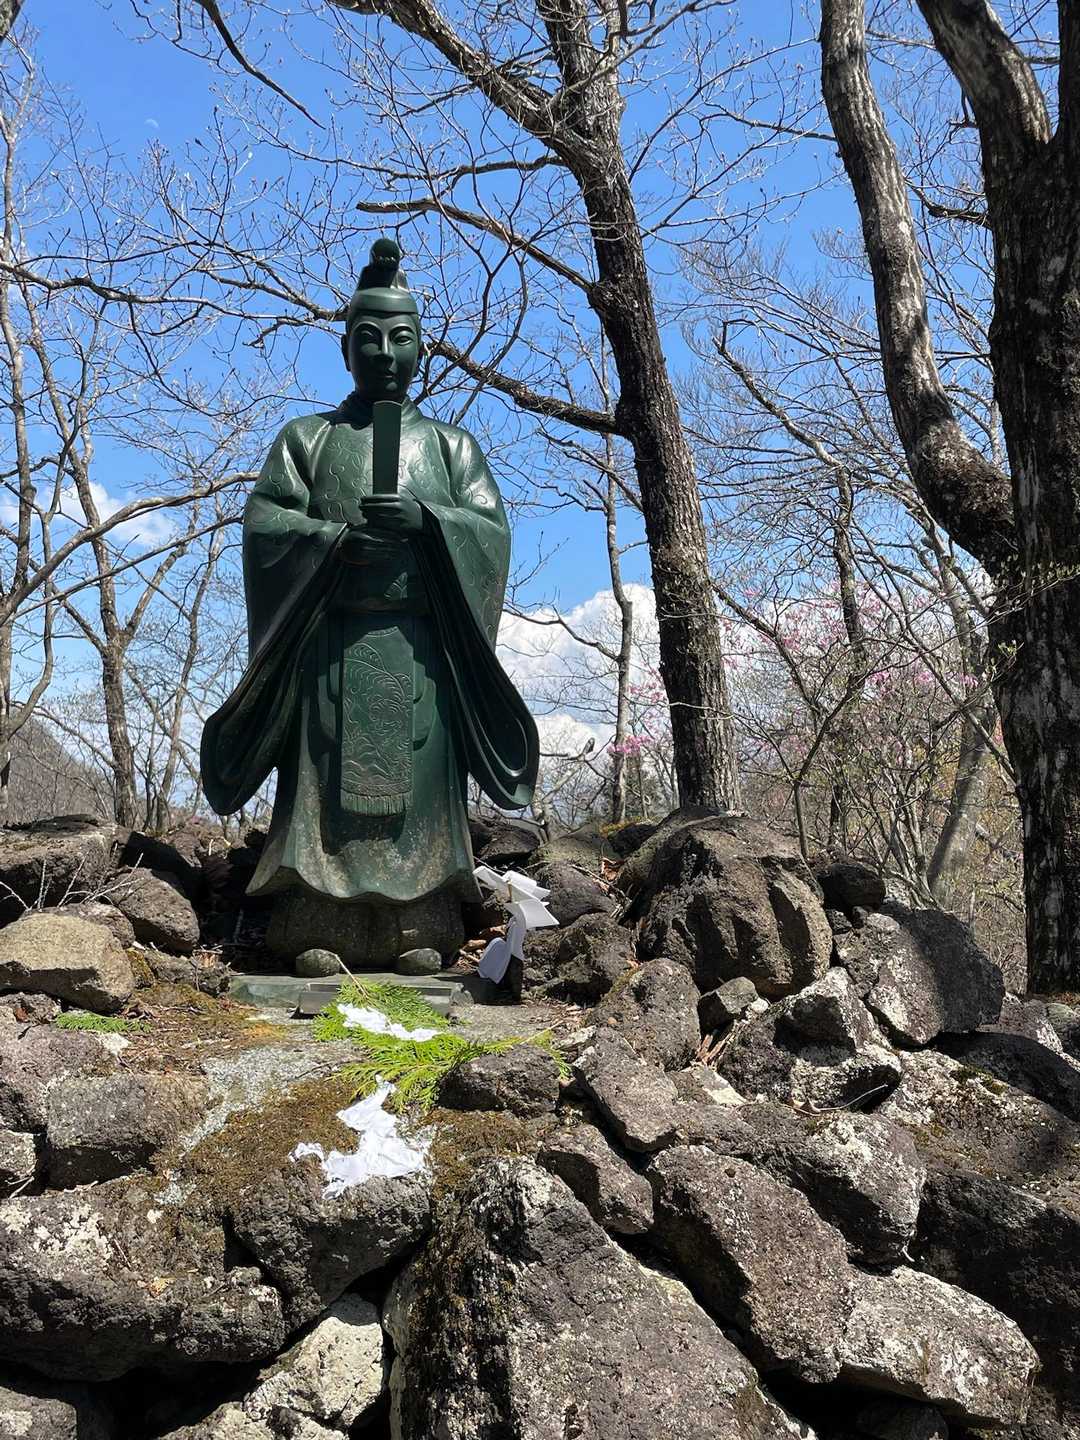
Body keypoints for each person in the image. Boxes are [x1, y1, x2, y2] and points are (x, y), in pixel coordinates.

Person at [201, 239, 538, 966]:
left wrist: (431, 523)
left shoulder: (451, 448)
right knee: (325, 785)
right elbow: (266, 525)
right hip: (330, 641)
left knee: (421, 789)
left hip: (423, 648)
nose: (385, 353)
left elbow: (489, 532)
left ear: (423, 349)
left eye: (401, 338)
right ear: (345, 349)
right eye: (369, 338)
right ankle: (318, 923)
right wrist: (331, 542)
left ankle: (419, 926)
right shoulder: (307, 440)